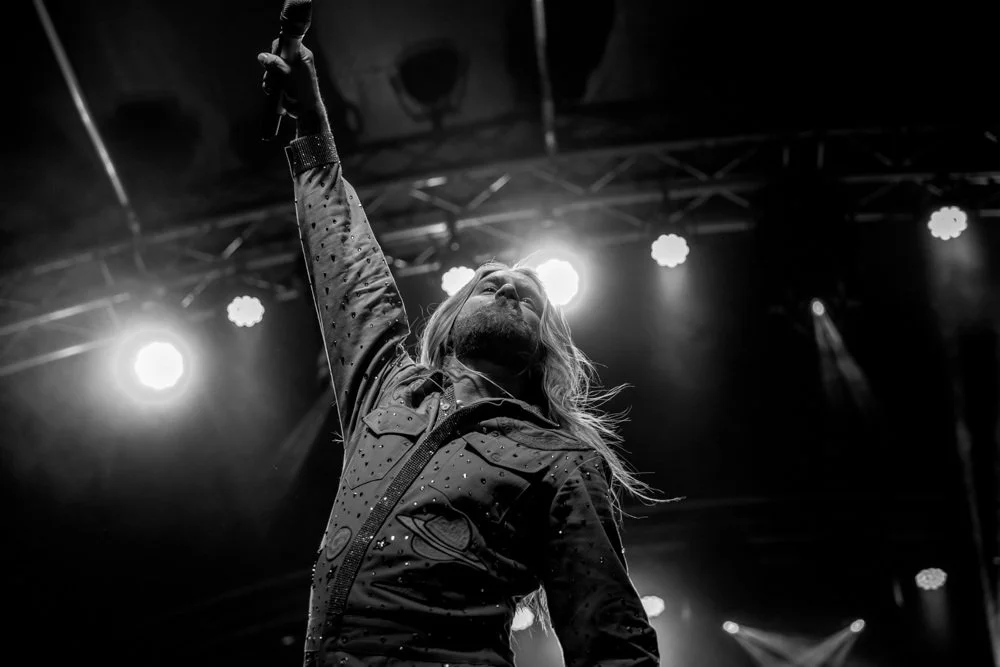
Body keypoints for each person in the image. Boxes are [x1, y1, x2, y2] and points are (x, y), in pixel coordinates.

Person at [258, 36, 667, 667]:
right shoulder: (387, 386)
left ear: (541, 353)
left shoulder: (560, 460)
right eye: (488, 281)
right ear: (447, 323)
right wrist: (310, 132)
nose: (506, 283)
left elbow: (608, 632)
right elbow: (347, 265)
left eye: (529, 296)